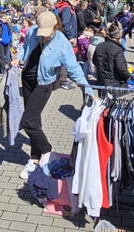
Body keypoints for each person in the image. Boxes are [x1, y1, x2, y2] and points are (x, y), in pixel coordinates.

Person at [15, 11, 92, 180]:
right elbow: (25, 47)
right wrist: (18, 58)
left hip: (44, 83)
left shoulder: (61, 43)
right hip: (27, 80)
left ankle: (47, 151)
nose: (43, 35)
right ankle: (35, 159)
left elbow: (73, 68)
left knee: (27, 121)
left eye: (47, 32)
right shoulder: (32, 31)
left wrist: (87, 89)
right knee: (34, 120)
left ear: (54, 27)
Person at [92, 21, 130, 91]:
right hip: (114, 83)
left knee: (103, 99)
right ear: (118, 36)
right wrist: (128, 75)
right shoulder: (117, 49)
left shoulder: (99, 45)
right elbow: (121, 69)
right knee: (114, 100)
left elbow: (94, 61)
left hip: (101, 80)